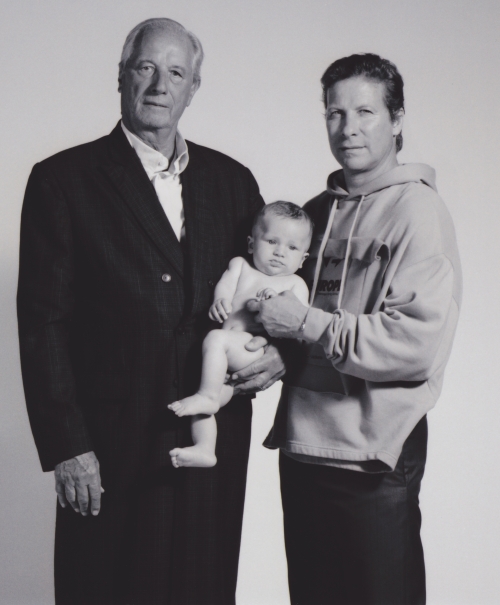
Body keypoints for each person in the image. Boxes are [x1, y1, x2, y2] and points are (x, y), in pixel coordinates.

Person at [17, 18, 284, 605]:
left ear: (194, 88)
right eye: (146, 67)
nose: (160, 85)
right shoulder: (63, 180)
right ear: (121, 76)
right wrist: (67, 446)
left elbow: (271, 285)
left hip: (211, 439)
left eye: (176, 73)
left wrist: (281, 356)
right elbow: (42, 324)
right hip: (111, 444)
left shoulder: (234, 181)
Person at [249, 53, 462, 605]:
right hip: (303, 450)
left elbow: (414, 346)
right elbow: (296, 325)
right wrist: (278, 353)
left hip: (374, 460)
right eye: (335, 113)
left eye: (365, 112)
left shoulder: (418, 212)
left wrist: (304, 323)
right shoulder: (313, 214)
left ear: (397, 119)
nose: (348, 128)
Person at [168, 202, 311, 468]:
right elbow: (225, 287)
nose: (280, 252)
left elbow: (297, 321)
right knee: (210, 398)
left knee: (214, 342)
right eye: (272, 241)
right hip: (224, 355)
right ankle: (204, 448)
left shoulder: (295, 283)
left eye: (292, 247)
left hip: (252, 350)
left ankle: (207, 397)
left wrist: (276, 301)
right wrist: (220, 301)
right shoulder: (240, 265)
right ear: (251, 244)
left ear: (303, 258)